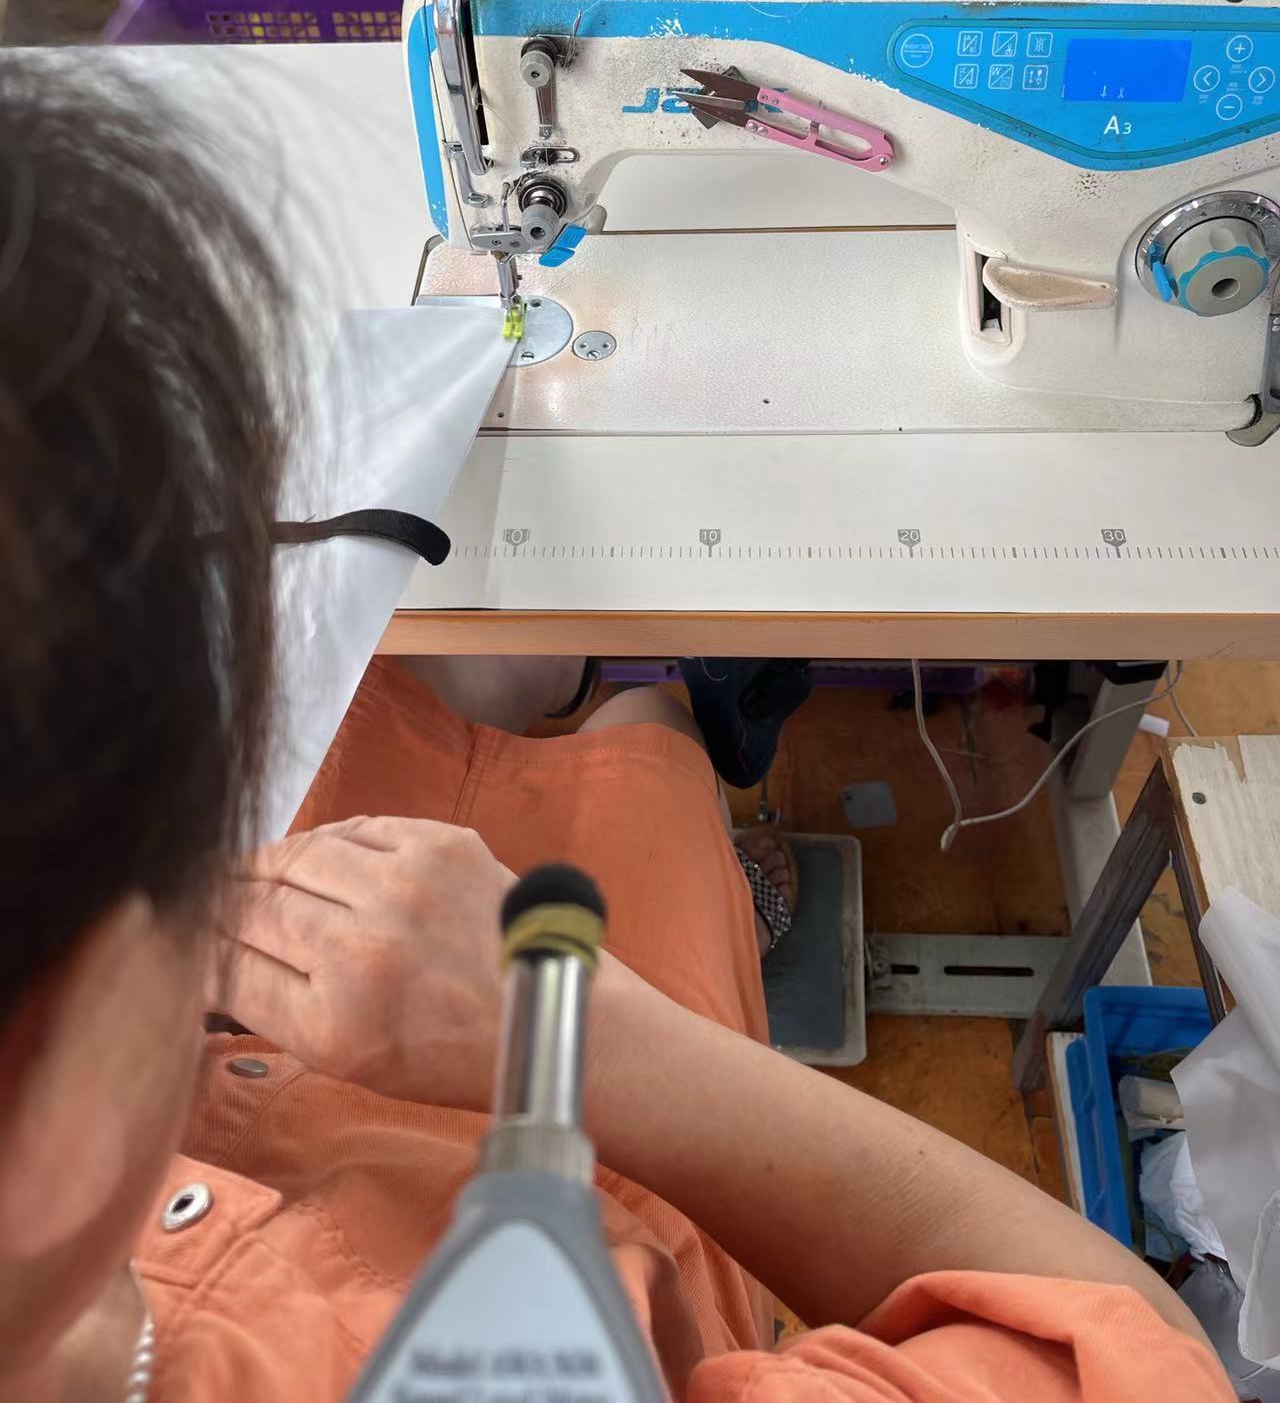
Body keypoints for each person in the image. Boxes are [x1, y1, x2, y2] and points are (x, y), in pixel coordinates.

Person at [0, 71, 1232, 1403]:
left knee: (421, 685)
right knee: (654, 767)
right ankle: (670, 726)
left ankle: (584, 694)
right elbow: (1125, 1352)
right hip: (575, 1184)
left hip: (220, 1077)